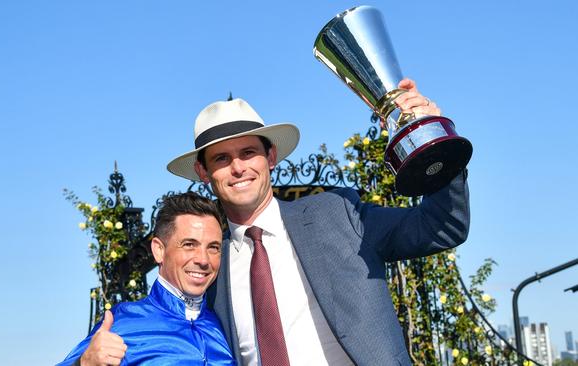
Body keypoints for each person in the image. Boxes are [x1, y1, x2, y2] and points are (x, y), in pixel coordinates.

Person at [165, 79, 470, 366]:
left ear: (270, 158)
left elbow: (442, 225)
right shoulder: (208, 268)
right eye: (221, 159)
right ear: (203, 173)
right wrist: (117, 343)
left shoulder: (337, 214)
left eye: (248, 152)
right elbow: (167, 331)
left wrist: (428, 133)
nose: (238, 168)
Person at [57, 192, 236, 366]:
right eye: (189, 245)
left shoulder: (225, 325)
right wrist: (83, 363)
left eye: (213, 247)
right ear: (159, 250)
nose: (203, 260)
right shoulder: (122, 322)